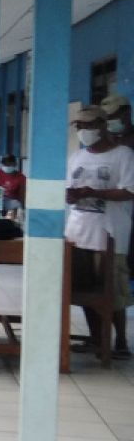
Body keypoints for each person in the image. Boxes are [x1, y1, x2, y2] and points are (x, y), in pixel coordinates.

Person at [65, 106, 134, 359]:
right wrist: (71, 195)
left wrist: (93, 192)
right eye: (80, 126)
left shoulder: (122, 155)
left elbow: (129, 190)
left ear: (103, 125)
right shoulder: (76, 157)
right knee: (85, 291)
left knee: (112, 291)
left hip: (110, 234)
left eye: (89, 125)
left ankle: (121, 343)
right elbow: (68, 190)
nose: (84, 131)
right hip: (78, 232)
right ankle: (96, 339)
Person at [100, 93, 134, 274]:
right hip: (112, 208)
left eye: (114, 116)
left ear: (127, 113)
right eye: (107, 118)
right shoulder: (106, 142)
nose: (110, 121)